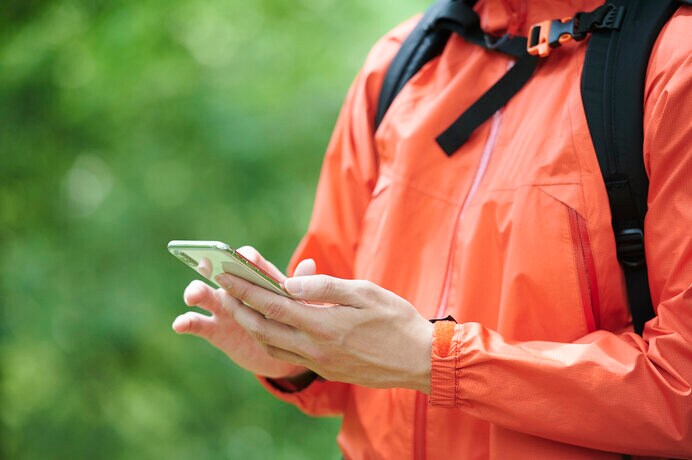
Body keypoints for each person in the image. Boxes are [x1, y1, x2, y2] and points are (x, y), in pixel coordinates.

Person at [172, 0, 692, 458]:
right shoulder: (400, 62)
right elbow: (352, 359)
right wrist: (291, 349)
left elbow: (681, 390)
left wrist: (435, 360)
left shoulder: (673, 65)